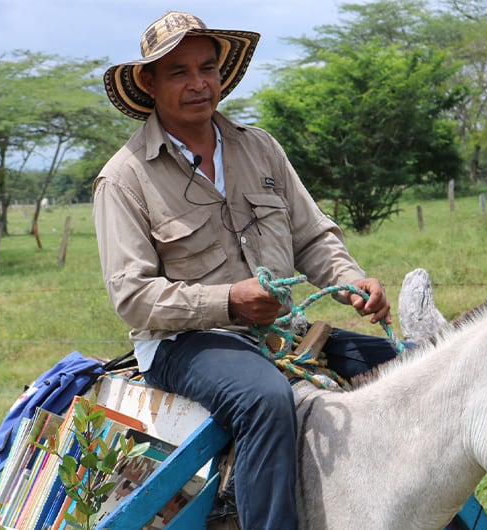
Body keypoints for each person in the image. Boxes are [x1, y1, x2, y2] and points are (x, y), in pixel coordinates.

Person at [94, 11, 400, 530]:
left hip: (281, 330)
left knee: (397, 364)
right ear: (148, 82)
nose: (199, 84)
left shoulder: (259, 148)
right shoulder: (124, 178)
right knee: (264, 397)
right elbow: (134, 296)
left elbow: (312, 235)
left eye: (207, 69)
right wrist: (229, 301)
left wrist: (351, 282)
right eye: (179, 73)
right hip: (182, 341)